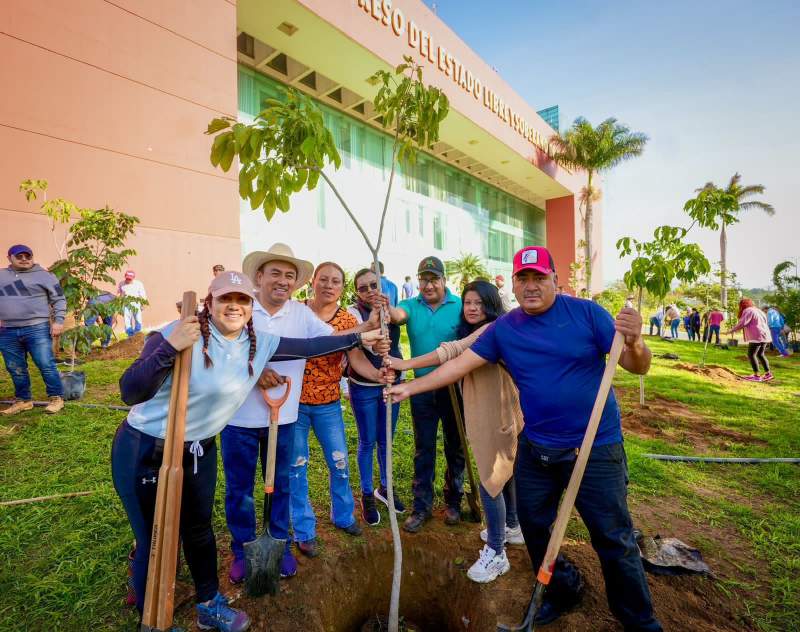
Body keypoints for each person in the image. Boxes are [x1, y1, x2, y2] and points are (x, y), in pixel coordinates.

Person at [386, 246, 661, 630]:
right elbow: (456, 364)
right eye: (523, 279)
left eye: (539, 278)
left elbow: (637, 366)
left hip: (594, 447)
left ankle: (639, 621)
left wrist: (634, 342)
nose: (531, 287)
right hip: (539, 446)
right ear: (513, 284)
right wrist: (408, 389)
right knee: (532, 523)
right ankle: (563, 586)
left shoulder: (587, 314)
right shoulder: (505, 329)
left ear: (555, 280)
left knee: (612, 536)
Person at [113, 270, 383, 632]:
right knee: (156, 538)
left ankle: (209, 603)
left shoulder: (257, 342)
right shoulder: (173, 334)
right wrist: (170, 346)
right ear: (211, 302)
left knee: (198, 531)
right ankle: (151, 621)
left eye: (242, 300)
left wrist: (363, 334)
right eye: (227, 299)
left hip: (198, 448)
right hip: (146, 446)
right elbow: (131, 391)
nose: (235, 306)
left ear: (250, 308)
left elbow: (312, 347)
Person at [223, 244, 381, 583]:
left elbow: (330, 339)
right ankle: (240, 551)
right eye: (275, 273)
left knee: (281, 484)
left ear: (296, 283)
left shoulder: (300, 314)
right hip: (239, 420)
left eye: (289, 276)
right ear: (260, 276)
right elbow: (222, 347)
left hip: (284, 418)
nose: (282, 281)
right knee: (240, 491)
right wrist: (256, 368)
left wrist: (367, 331)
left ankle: (278, 548)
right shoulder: (242, 308)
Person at [386, 280, 524, 584]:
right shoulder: (491, 328)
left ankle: (496, 551)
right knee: (507, 473)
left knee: (491, 480)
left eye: (479, 303)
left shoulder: (492, 329)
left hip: (495, 414)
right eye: (468, 303)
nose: (473, 308)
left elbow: (451, 354)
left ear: (490, 304)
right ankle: (512, 526)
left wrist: (404, 366)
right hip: (500, 410)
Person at [290, 262, 392, 558]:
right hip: (293, 403)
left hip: (328, 403)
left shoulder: (347, 320)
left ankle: (344, 516)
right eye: (324, 279)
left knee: (339, 463)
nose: (329, 285)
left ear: (341, 287)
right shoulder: (297, 312)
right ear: (313, 281)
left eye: (336, 281)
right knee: (296, 467)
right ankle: (304, 530)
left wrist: (377, 376)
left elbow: (356, 359)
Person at [387, 255, 465, 533]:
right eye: (424, 279)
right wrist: (387, 309)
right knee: (424, 448)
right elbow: (398, 315)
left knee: (456, 447)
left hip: (454, 389)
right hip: (421, 390)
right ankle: (422, 507)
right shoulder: (411, 304)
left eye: (434, 279)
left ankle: (454, 501)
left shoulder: (459, 306)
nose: (428, 285)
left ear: (444, 280)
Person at [347, 267, 406, 526]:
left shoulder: (391, 308)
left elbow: (400, 319)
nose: (369, 291)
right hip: (364, 386)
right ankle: (367, 493)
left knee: (386, 440)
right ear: (356, 292)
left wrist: (386, 311)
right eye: (363, 288)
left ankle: (386, 487)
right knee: (367, 441)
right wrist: (373, 341)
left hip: (392, 383)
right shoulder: (352, 313)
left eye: (374, 285)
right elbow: (355, 339)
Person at [0, 244, 65, 415]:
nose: (24, 259)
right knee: (15, 367)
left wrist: (58, 321)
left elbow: (59, 299)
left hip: (37, 328)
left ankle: (56, 398)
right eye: (19, 256)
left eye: (27, 256)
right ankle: (23, 401)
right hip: (7, 330)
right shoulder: (1, 275)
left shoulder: (45, 275)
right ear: (9, 258)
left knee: (45, 364)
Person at [727, 298, 772, 381]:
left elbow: (743, 322)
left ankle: (757, 376)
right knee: (760, 354)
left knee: (751, 354)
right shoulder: (758, 310)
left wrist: (731, 330)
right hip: (765, 335)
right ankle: (768, 374)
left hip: (756, 335)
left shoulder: (748, 310)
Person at [118, 270, 147, 336]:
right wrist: (119, 303)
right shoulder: (121, 283)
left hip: (136, 304)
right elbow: (119, 293)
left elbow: (142, 294)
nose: (128, 280)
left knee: (138, 318)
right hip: (125, 304)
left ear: (133, 278)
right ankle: (130, 335)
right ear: (125, 277)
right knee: (127, 319)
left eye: (130, 279)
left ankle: (137, 333)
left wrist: (143, 304)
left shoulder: (138, 284)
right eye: (127, 278)